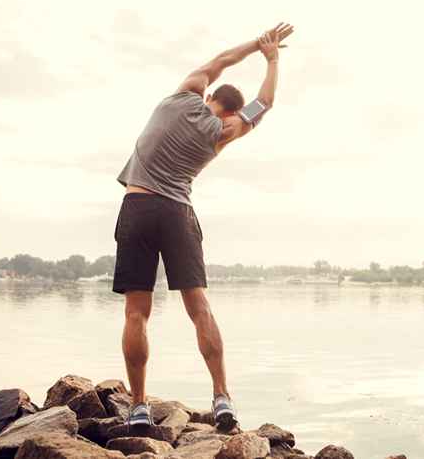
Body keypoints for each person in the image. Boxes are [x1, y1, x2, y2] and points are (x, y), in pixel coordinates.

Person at [111, 22, 294, 432]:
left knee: (137, 313)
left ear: (210, 96)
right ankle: (222, 398)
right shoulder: (224, 132)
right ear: (230, 111)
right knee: (199, 308)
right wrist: (273, 59)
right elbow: (264, 103)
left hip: (138, 205)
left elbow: (221, 61)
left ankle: (138, 406)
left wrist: (255, 44)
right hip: (178, 212)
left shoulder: (180, 97)